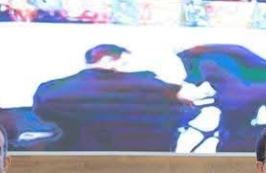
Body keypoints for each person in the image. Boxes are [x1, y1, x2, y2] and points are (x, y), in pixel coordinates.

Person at [32, 44, 189, 153]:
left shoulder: (49, 89)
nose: (131, 69)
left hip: (74, 162)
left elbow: (42, 118)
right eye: (125, 63)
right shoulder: (151, 86)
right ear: (107, 61)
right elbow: (181, 111)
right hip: (143, 164)